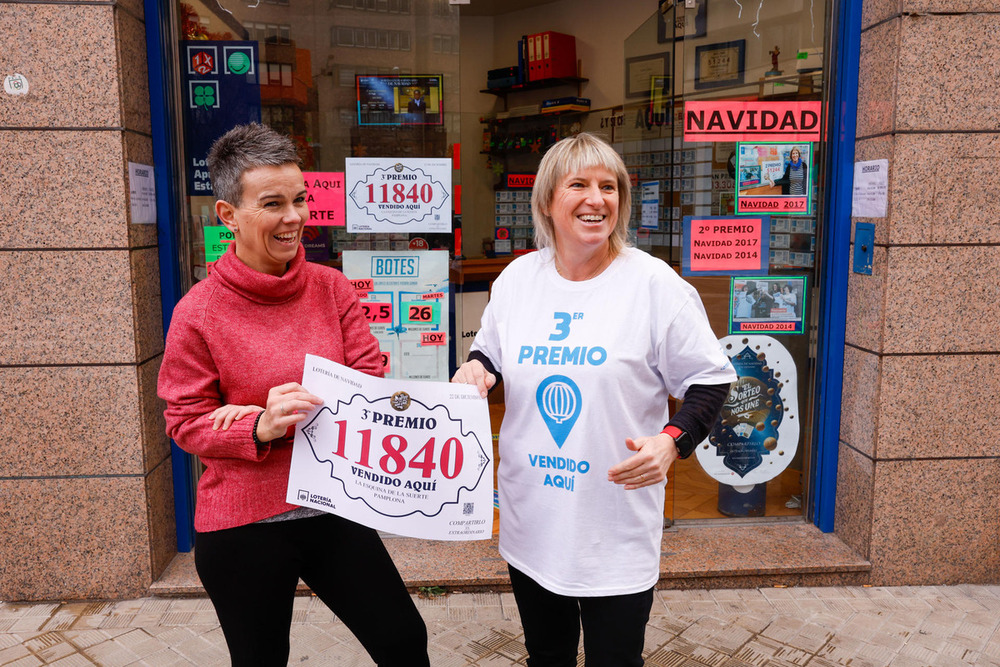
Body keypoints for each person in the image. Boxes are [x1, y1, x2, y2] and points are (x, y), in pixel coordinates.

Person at [452, 132, 736, 667]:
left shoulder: (654, 285)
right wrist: (475, 370)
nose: (596, 198)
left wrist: (672, 443)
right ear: (546, 202)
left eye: (610, 187)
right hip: (533, 513)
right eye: (578, 184)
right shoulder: (517, 280)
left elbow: (709, 377)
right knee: (547, 654)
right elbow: (489, 353)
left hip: (615, 521)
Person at [157, 123, 429, 667]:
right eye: (273, 203)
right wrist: (258, 425)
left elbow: (368, 377)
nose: (294, 218)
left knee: (403, 640)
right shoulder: (199, 311)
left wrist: (324, 393)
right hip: (243, 523)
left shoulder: (330, 288)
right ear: (228, 215)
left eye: (301, 200)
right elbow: (186, 422)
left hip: (335, 504)